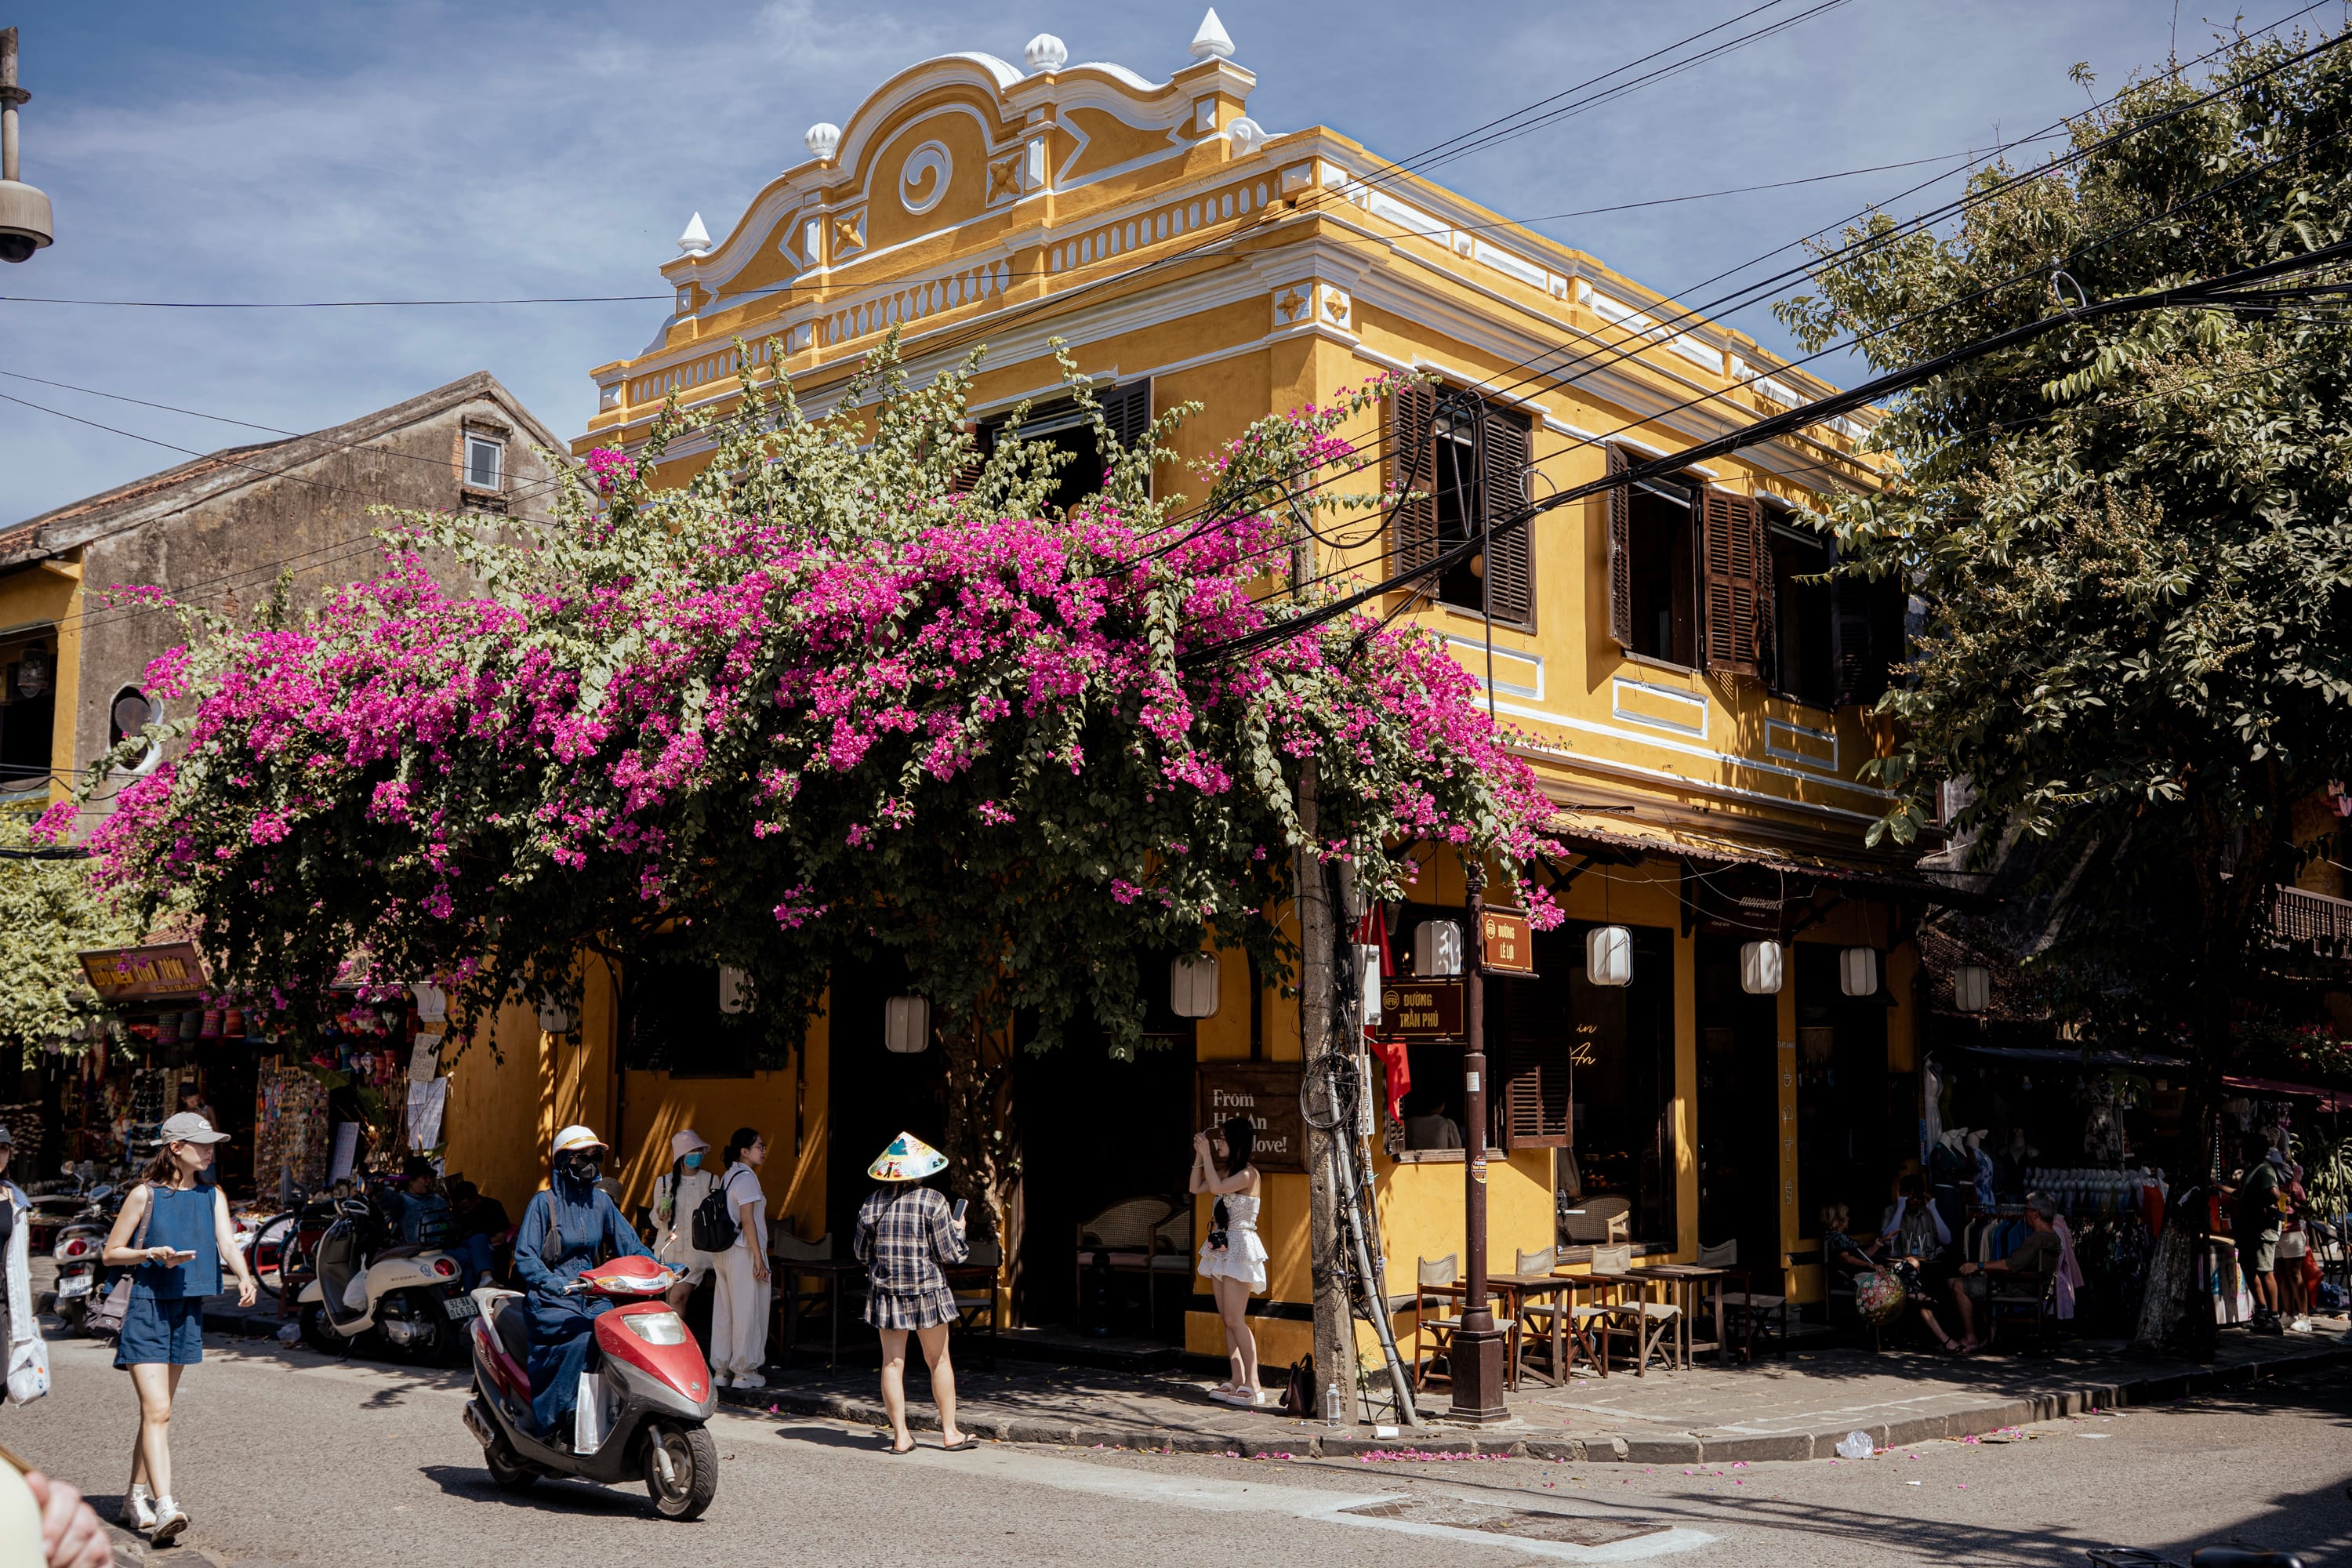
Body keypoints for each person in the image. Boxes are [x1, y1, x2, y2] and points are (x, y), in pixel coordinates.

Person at [98, 1112, 259, 1547]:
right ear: (175, 1148)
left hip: (186, 1307)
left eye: (211, 1144)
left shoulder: (212, 1194)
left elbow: (227, 1242)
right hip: (146, 1307)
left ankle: (134, 1498)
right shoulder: (144, 1195)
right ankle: (166, 1504)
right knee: (159, 1411)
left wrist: (245, 1277)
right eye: (201, 1144)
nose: (210, 1150)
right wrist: (148, 1253)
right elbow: (111, 1253)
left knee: (157, 1412)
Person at [511, 1125, 656, 1441]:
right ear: (563, 1162)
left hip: (592, 1294)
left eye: (595, 1156)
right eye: (581, 1158)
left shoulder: (601, 1203)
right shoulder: (544, 1203)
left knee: (621, 1334)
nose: (590, 1164)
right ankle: (560, 1418)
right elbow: (526, 1257)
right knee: (584, 1339)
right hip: (552, 1301)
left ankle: (616, 1411)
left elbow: (630, 1244)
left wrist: (659, 1267)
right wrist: (551, 1282)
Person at [852, 1132, 972, 1455]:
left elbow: (862, 1254)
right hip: (927, 1290)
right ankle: (949, 1432)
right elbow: (951, 1254)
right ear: (919, 1171)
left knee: (892, 1364)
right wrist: (959, 1232)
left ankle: (901, 1437)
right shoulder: (933, 1201)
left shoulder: (871, 1203)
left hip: (886, 1292)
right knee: (938, 1360)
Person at [1191, 1116, 1267, 1407]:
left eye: (1222, 1139)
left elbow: (1216, 1188)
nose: (1219, 1143)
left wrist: (1207, 1156)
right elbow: (1196, 1187)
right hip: (1222, 1248)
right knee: (1227, 1320)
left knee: (1236, 1318)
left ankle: (1253, 1381)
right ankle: (1236, 1378)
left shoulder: (1249, 1175)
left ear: (1234, 1142)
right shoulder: (1225, 1171)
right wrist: (1201, 1157)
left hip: (1240, 1248)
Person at [1946, 1191, 2062, 1352]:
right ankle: (1988, 1332)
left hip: (2018, 1288)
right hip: (2030, 1286)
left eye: (2026, 1210)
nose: (2024, 1214)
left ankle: (1970, 1338)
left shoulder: (2038, 1238)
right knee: (1967, 1284)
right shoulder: (2054, 1237)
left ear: (2035, 1213)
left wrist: (1979, 1265)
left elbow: (2011, 1264)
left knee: (1957, 1284)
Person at [709, 1127, 771, 1391]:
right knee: (747, 1310)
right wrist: (759, 1257)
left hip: (723, 1251)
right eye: (759, 1146)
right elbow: (748, 1220)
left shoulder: (728, 1176)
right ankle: (745, 1371)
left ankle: (722, 1369)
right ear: (744, 1152)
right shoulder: (747, 1178)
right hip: (743, 1250)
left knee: (725, 1311)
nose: (763, 1150)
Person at [2220, 1133, 2283, 1334]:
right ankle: (2262, 1313)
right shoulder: (2250, 1170)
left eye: (2246, 1147)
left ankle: (2274, 1317)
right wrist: (2218, 1186)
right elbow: (2241, 1194)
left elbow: (2274, 1194)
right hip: (2249, 1229)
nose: (2242, 1150)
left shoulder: (2264, 1170)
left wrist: (2258, 1205)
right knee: (2248, 1267)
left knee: (2265, 1271)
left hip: (2263, 1229)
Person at [652, 1128, 717, 1313]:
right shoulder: (664, 1182)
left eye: (698, 1151)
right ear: (681, 1155)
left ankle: (675, 1341)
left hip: (697, 1253)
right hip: (669, 1252)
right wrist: (661, 1215)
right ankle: (668, 1338)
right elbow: (657, 1221)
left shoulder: (711, 1180)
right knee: (668, 1300)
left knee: (677, 1297)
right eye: (691, 1151)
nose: (696, 1155)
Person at [445, 1181, 511, 1290]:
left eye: (467, 1207)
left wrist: (480, 1246)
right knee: (468, 1257)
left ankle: (483, 1282)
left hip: (492, 1250)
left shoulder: (493, 1206)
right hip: (465, 1251)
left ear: (477, 1199)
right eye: (461, 1208)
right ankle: (478, 1287)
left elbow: (500, 1237)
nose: (464, 1212)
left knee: (478, 1240)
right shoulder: (457, 1213)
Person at [395, 1156, 451, 1247]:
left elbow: (448, 1224)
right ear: (411, 1180)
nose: (429, 1181)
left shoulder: (438, 1201)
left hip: (443, 1250)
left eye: (430, 1177)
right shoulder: (401, 1202)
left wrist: (442, 1229)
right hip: (417, 1256)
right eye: (424, 1177)